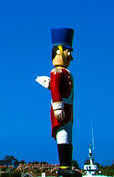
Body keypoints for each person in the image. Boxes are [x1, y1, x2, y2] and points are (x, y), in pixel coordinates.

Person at [49, 27, 78, 176]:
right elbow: (55, 89)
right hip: (61, 109)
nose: (71, 56)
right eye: (68, 52)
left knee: (68, 138)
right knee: (63, 137)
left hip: (68, 110)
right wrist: (58, 107)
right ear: (59, 53)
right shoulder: (57, 72)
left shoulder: (64, 72)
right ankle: (64, 167)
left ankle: (67, 165)